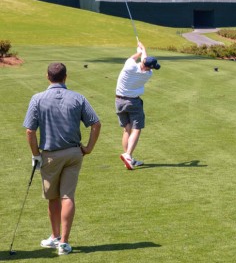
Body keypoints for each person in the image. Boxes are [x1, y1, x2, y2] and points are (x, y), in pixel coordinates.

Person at [23, 62, 101, 256]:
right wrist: (89, 148)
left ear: (47, 76)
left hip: (50, 155)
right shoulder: (78, 98)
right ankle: (64, 243)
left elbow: (30, 131)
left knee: (53, 197)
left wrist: (35, 155)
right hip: (74, 154)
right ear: (66, 77)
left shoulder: (37, 99)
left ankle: (56, 236)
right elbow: (96, 124)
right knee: (68, 196)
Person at [115, 41, 160, 170]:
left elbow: (134, 58)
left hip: (119, 101)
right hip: (133, 102)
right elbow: (145, 62)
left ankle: (129, 159)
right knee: (137, 128)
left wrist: (140, 51)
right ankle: (128, 155)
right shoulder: (148, 74)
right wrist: (143, 49)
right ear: (150, 67)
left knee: (127, 129)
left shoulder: (130, 67)